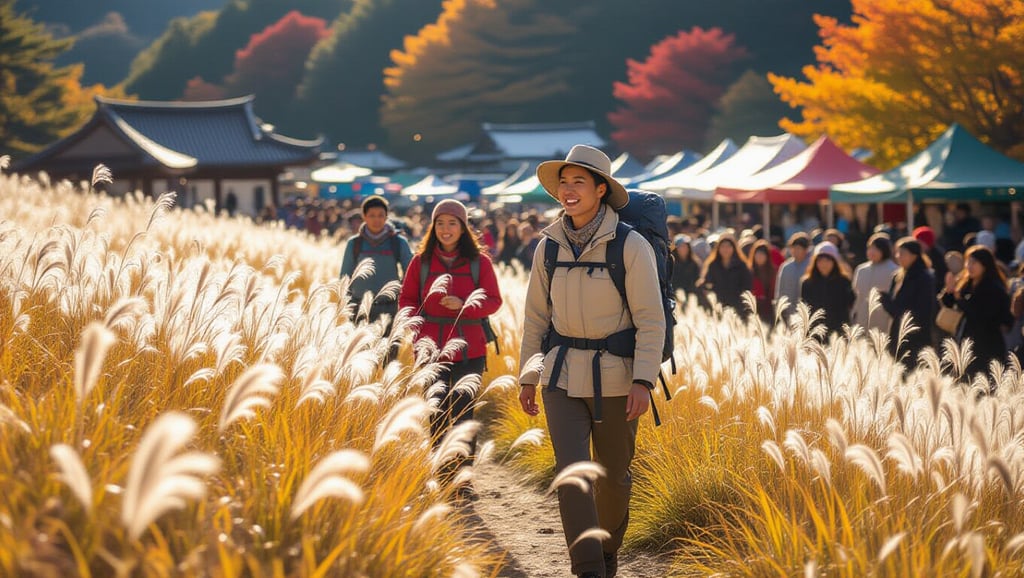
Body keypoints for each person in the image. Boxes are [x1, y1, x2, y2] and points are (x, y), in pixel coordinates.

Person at [518, 145, 665, 578]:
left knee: (614, 479)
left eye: (578, 181)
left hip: (619, 380)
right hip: (560, 377)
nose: (568, 189)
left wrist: (644, 380)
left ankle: (605, 551)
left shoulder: (631, 246)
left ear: (601, 190)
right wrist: (529, 376)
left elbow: (650, 319)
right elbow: (534, 319)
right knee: (572, 475)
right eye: (563, 182)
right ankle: (588, 569)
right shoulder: (547, 248)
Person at [398, 199, 503, 494]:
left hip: (470, 350)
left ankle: (463, 478)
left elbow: (494, 301)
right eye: (440, 223)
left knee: (464, 413)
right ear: (433, 227)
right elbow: (406, 300)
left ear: (463, 227)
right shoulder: (420, 263)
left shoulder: (479, 263)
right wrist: (417, 328)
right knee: (438, 412)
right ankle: (443, 475)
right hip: (431, 349)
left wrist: (465, 306)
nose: (446, 229)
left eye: (452, 223)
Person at [940, 245, 1012, 380]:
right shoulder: (967, 282)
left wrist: (958, 299)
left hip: (987, 344)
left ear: (985, 265)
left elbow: (982, 314)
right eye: (968, 261)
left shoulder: (993, 288)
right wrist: (949, 291)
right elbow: (950, 304)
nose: (969, 266)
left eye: (974, 262)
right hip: (968, 341)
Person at [339, 195, 414, 325]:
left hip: (389, 308)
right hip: (359, 307)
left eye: (380, 215)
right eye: (372, 215)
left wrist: (401, 296)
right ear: (364, 216)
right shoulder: (355, 243)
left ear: (387, 216)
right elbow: (345, 276)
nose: (376, 219)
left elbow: (411, 273)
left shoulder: (398, 242)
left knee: (390, 346)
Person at [879, 238, 935, 369]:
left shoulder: (924, 278)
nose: (898, 256)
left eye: (902, 253)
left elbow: (922, 311)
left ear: (914, 255)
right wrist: (886, 300)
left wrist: (888, 304)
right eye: (897, 253)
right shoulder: (898, 276)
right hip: (897, 332)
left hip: (916, 336)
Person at [800, 242, 855, 339]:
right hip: (814, 332)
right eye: (820, 260)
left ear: (835, 262)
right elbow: (804, 308)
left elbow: (850, 304)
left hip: (837, 334)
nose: (824, 264)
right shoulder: (807, 283)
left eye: (828, 260)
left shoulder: (844, 281)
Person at [851, 234, 899, 333]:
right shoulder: (861, 269)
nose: (871, 252)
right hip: (862, 315)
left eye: (876, 248)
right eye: (870, 248)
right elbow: (856, 294)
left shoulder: (894, 270)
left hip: (883, 317)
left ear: (885, 250)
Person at [698, 232, 752, 315]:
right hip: (718, 307)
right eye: (723, 246)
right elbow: (706, 283)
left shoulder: (741, 266)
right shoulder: (713, 265)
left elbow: (747, 287)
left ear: (734, 248)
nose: (725, 249)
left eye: (728, 246)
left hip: (738, 309)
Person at [774, 232, 812, 322]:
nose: (795, 251)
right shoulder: (786, 267)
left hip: (806, 313)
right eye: (793, 248)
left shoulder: (811, 266)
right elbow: (780, 290)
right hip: (788, 313)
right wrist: (779, 307)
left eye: (799, 248)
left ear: (806, 250)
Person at [749, 239, 777, 325]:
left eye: (762, 254)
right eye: (757, 254)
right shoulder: (749, 273)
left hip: (771, 312)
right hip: (754, 312)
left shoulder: (774, 272)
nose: (759, 257)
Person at [671, 234, 701, 300]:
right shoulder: (670, 262)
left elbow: (697, 279)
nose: (683, 248)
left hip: (691, 295)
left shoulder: (694, 263)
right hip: (675, 295)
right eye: (680, 246)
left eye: (685, 246)